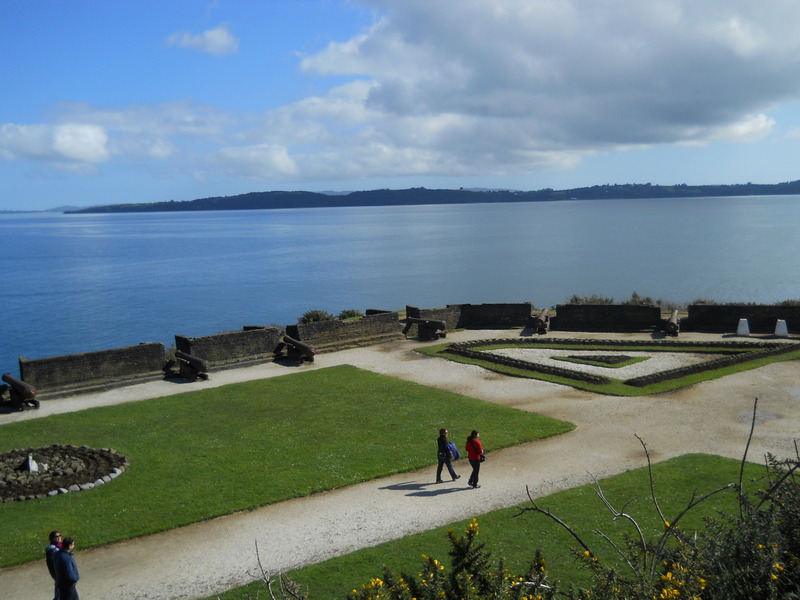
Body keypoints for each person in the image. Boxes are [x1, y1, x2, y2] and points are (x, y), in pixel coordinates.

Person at [45, 530, 63, 600]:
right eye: (56, 537)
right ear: (52, 538)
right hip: (58, 574)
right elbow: (54, 564)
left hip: (61, 573)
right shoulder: (52, 550)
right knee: (60, 591)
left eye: (59, 536)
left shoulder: (61, 546)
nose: (59, 538)